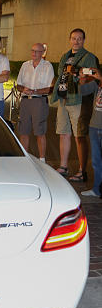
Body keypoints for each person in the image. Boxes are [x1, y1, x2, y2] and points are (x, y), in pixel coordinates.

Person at [50, 29, 99, 181]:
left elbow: (93, 73)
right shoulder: (65, 56)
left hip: (78, 99)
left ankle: (81, 171)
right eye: (73, 38)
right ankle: (64, 167)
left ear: (84, 40)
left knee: (80, 136)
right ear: (69, 39)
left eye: (79, 39)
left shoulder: (89, 56)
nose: (76, 41)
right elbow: (60, 75)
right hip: (63, 98)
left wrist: (77, 71)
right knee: (64, 133)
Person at [16, 43, 55, 162]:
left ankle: (42, 160)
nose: (34, 53)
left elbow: (50, 89)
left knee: (40, 132)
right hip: (25, 102)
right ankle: (25, 159)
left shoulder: (47, 66)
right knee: (23, 131)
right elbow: (18, 85)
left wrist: (35, 91)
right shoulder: (25, 65)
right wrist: (24, 89)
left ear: (43, 53)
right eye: (32, 50)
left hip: (39, 102)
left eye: (37, 51)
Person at [78, 66, 102, 197]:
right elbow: (82, 91)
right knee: (96, 161)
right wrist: (82, 79)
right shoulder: (97, 83)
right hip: (94, 125)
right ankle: (96, 189)